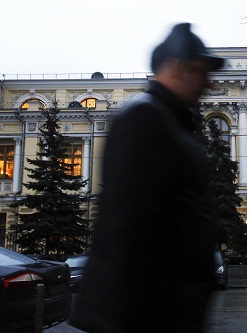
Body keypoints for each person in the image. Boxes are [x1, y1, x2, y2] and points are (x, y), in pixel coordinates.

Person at [68, 23, 224, 333]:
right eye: (200, 70)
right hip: (144, 318)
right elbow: (125, 232)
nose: (208, 82)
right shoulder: (143, 119)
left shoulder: (172, 123)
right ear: (176, 68)